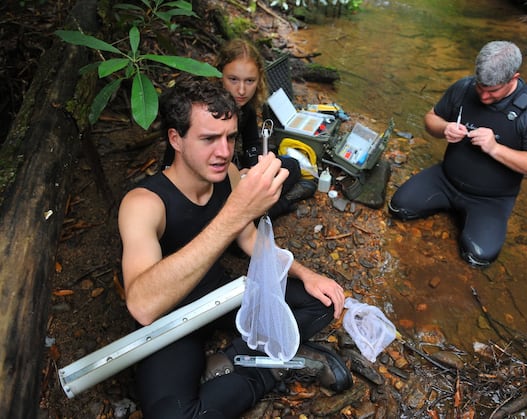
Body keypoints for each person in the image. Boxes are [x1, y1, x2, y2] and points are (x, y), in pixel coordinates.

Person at [119, 79, 352, 418]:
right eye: (209, 139)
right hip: (172, 319)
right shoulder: (144, 203)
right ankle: (271, 366)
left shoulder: (226, 174)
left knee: (322, 303)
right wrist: (235, 211)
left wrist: (307, 274)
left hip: (218, 296)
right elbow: (142, 306)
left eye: (229, 137)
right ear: (176, 139)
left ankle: (234, 358)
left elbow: (249, 239)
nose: (225, 151)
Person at [388, 41, 527, 267]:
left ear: (514, 78)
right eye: (481, 88)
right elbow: (431, 118)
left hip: (491, 199)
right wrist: (443, 128)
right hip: (445, 180)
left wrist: (495, 149)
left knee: (478, 257)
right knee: (399, 208)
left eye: (493, 91)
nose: (484, 97)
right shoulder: (464, 87)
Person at [163, 38, 316, 219]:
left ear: (259, 81)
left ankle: (262, 208)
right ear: (219, 75)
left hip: (228, 172)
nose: (241, 90)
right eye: (233, 79)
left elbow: (252, 144)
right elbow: (180, 163)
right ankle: (278, 206)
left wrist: (253, 169)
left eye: (250, 81)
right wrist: (232, 173)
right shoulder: (200, 110)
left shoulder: (246, 109)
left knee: (290, 165)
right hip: (200, 182)